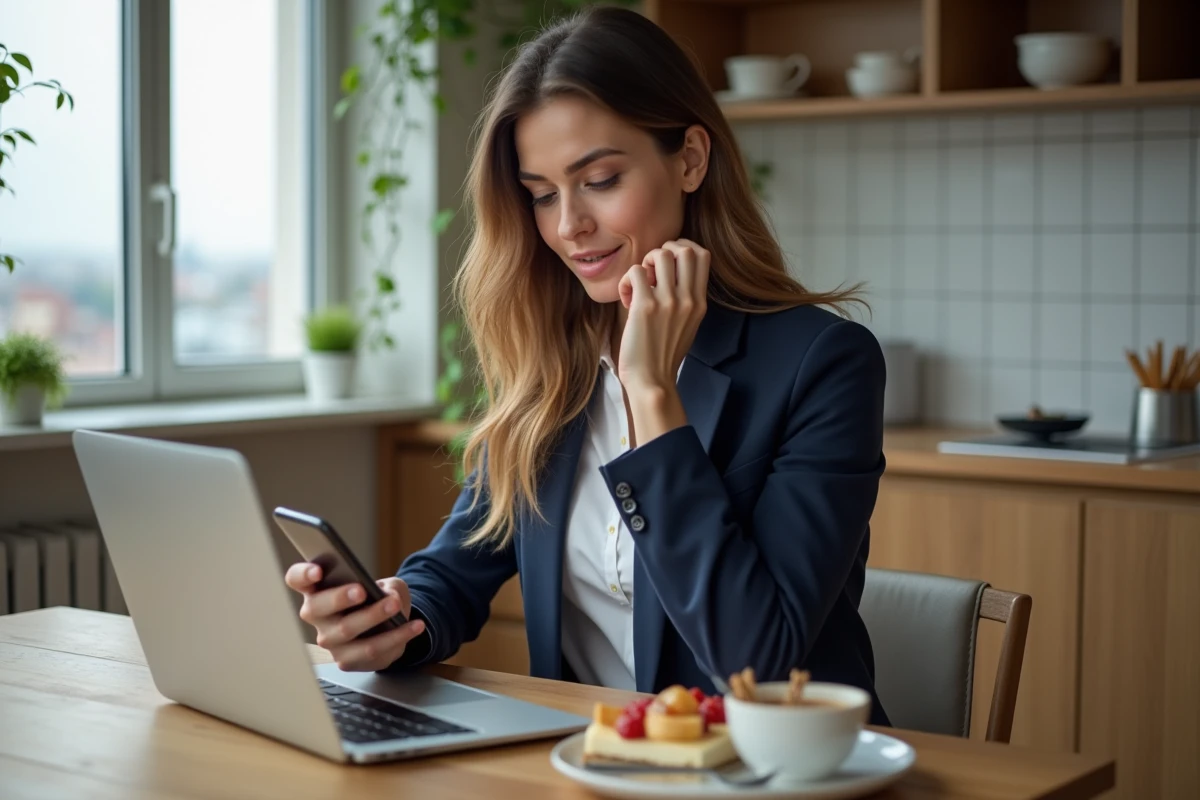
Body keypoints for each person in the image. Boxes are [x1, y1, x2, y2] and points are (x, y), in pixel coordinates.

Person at [286, 5, 890, 725]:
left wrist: (652, 393)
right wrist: (390, 620)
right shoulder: (555, 361)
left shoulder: (822, 364)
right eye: (542, 195)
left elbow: (756, 662)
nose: (567, 225)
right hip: (594, 761)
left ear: (690, 159)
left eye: (600, 180)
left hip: (773, 765)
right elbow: (458, 566)